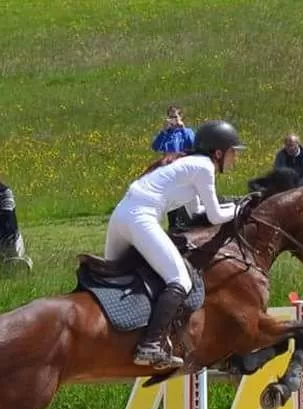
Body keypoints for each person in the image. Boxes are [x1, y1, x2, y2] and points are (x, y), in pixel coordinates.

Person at [104, 119, 244, 369]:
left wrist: (234, 205)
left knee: (111, 277)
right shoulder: (204, 167)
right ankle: (150, 345)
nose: (236, 158)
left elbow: (196, 212)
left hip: (121, 215)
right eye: (233, 152)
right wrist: (242, 209)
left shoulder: (190, 165)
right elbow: (214, 216)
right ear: (218, 152)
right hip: (141, 217)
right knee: (181, 280)